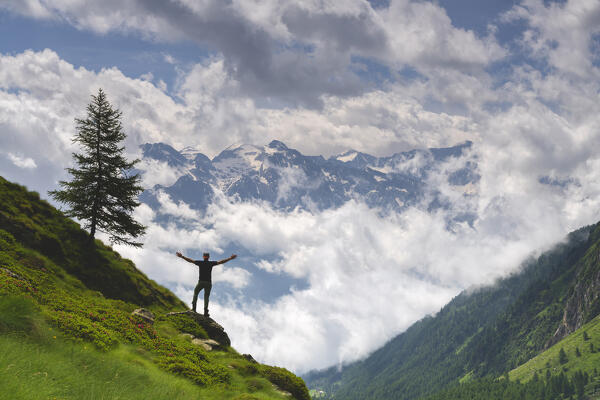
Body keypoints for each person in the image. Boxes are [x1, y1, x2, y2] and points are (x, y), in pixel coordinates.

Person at [176, 251, 237, 317]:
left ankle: (194, 309)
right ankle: (205, 311)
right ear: (208, 257)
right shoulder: (211, 263)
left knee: (196, 293)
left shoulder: (200, 263)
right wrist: (230, 258)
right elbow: (221, 262)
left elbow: (190, 261)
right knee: (206, 297)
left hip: (201, 282)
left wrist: (182, 256)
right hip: (208, 283)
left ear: (203, 257)